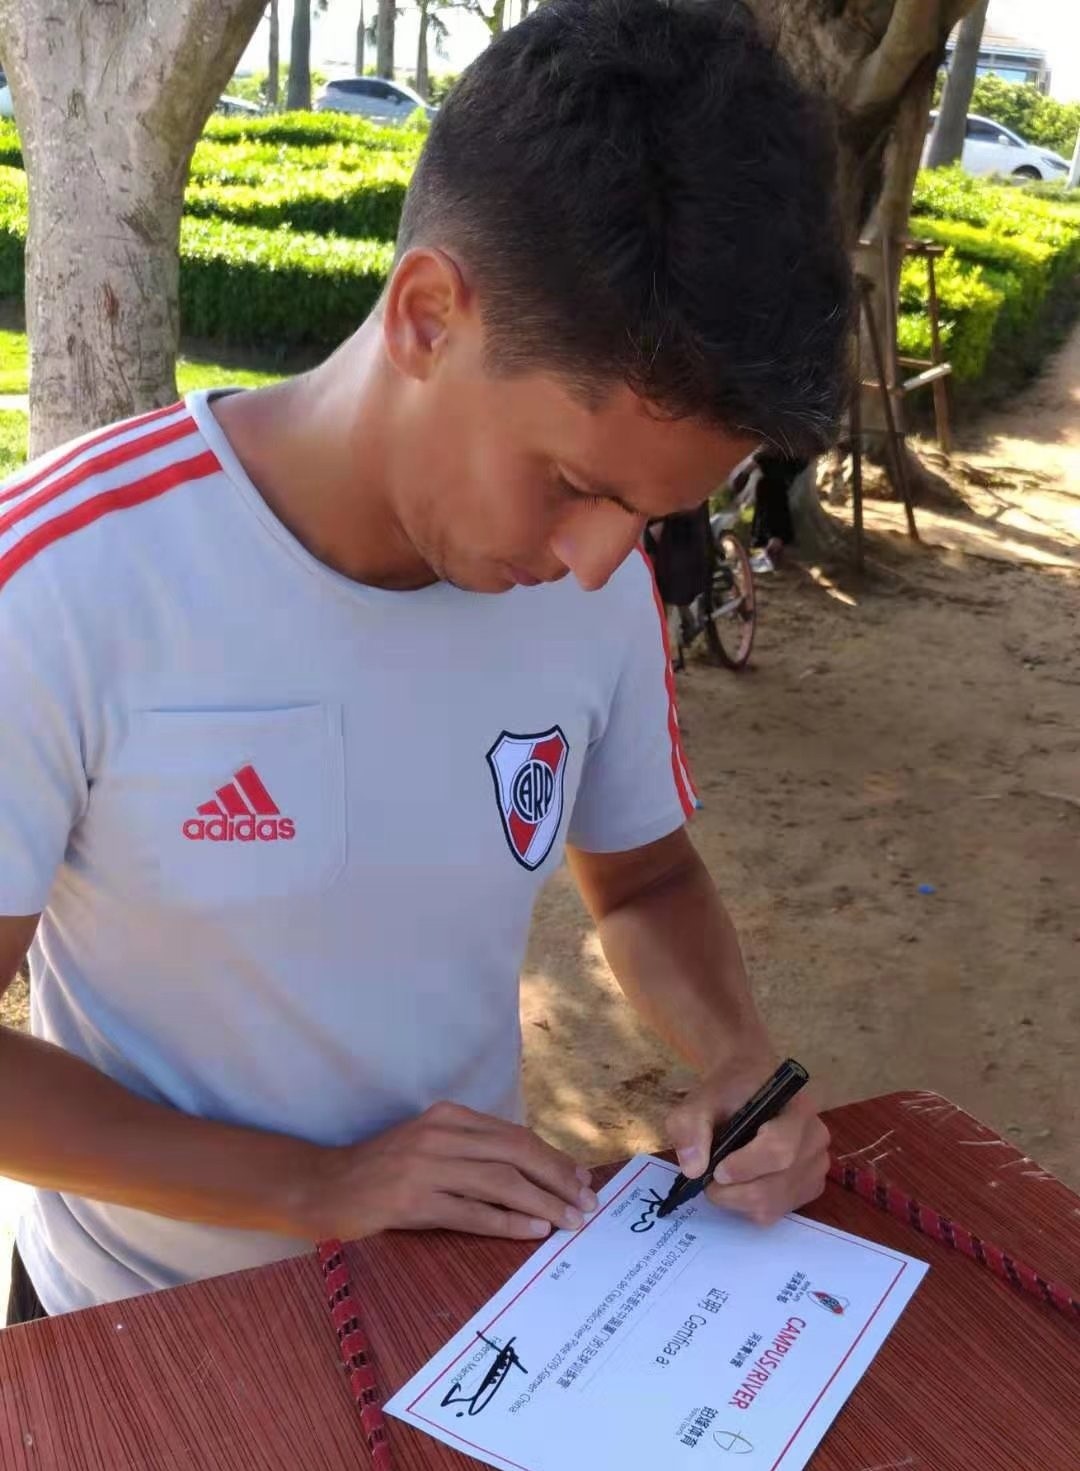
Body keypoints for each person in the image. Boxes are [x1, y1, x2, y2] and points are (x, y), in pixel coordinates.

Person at [0, 0, 851, 1324]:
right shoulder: (65, 582)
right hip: (138, 1323)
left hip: (458, 1311)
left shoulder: (596, 584)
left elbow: (644, 879)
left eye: (653, 515)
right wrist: (319, 1187)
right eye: (574, 484)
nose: (597, 561)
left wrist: (739, 1057)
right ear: (428, 313)